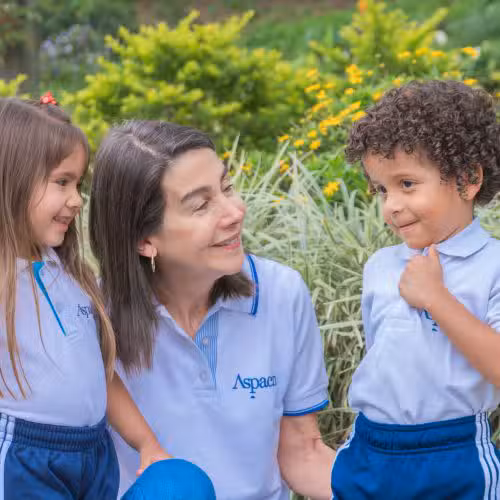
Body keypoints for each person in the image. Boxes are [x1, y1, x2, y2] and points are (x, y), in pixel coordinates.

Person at [88, 120, 336, 500]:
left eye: (227, 187)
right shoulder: (93, 318)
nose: (235, 211)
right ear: (143, 240)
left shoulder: (282, 294)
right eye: (201, 205)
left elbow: (303, 452)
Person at [331, 80, 500, 499]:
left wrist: (436, 299)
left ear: (468, 178)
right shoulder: (380, 267)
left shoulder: (493, 265)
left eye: (406, 184)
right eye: (381, 189)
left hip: (453, 454)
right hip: (369, 449)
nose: (391, 205)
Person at [0, 96, 170, 500]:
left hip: (94, 453)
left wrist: (147, 443)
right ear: (11, 179)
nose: (77, 199)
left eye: (78, 184)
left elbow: (102, 375)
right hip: (24, 455)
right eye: (62, 182)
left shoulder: (73, 276)